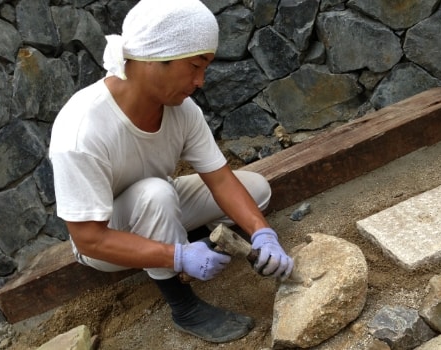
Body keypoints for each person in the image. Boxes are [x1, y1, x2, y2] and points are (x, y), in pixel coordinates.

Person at [48, 0, 293, 343]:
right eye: (195, 66)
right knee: (156, 194)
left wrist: (263, 234)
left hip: (156, 199)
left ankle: (183, 241)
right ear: (152, 58)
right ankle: (184, 306)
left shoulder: (181, 110)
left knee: (256, 190)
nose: (200, 81)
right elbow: (88, 238)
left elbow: (221, 178)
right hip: (104, 238)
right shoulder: (82, 131)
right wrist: (177, 256)